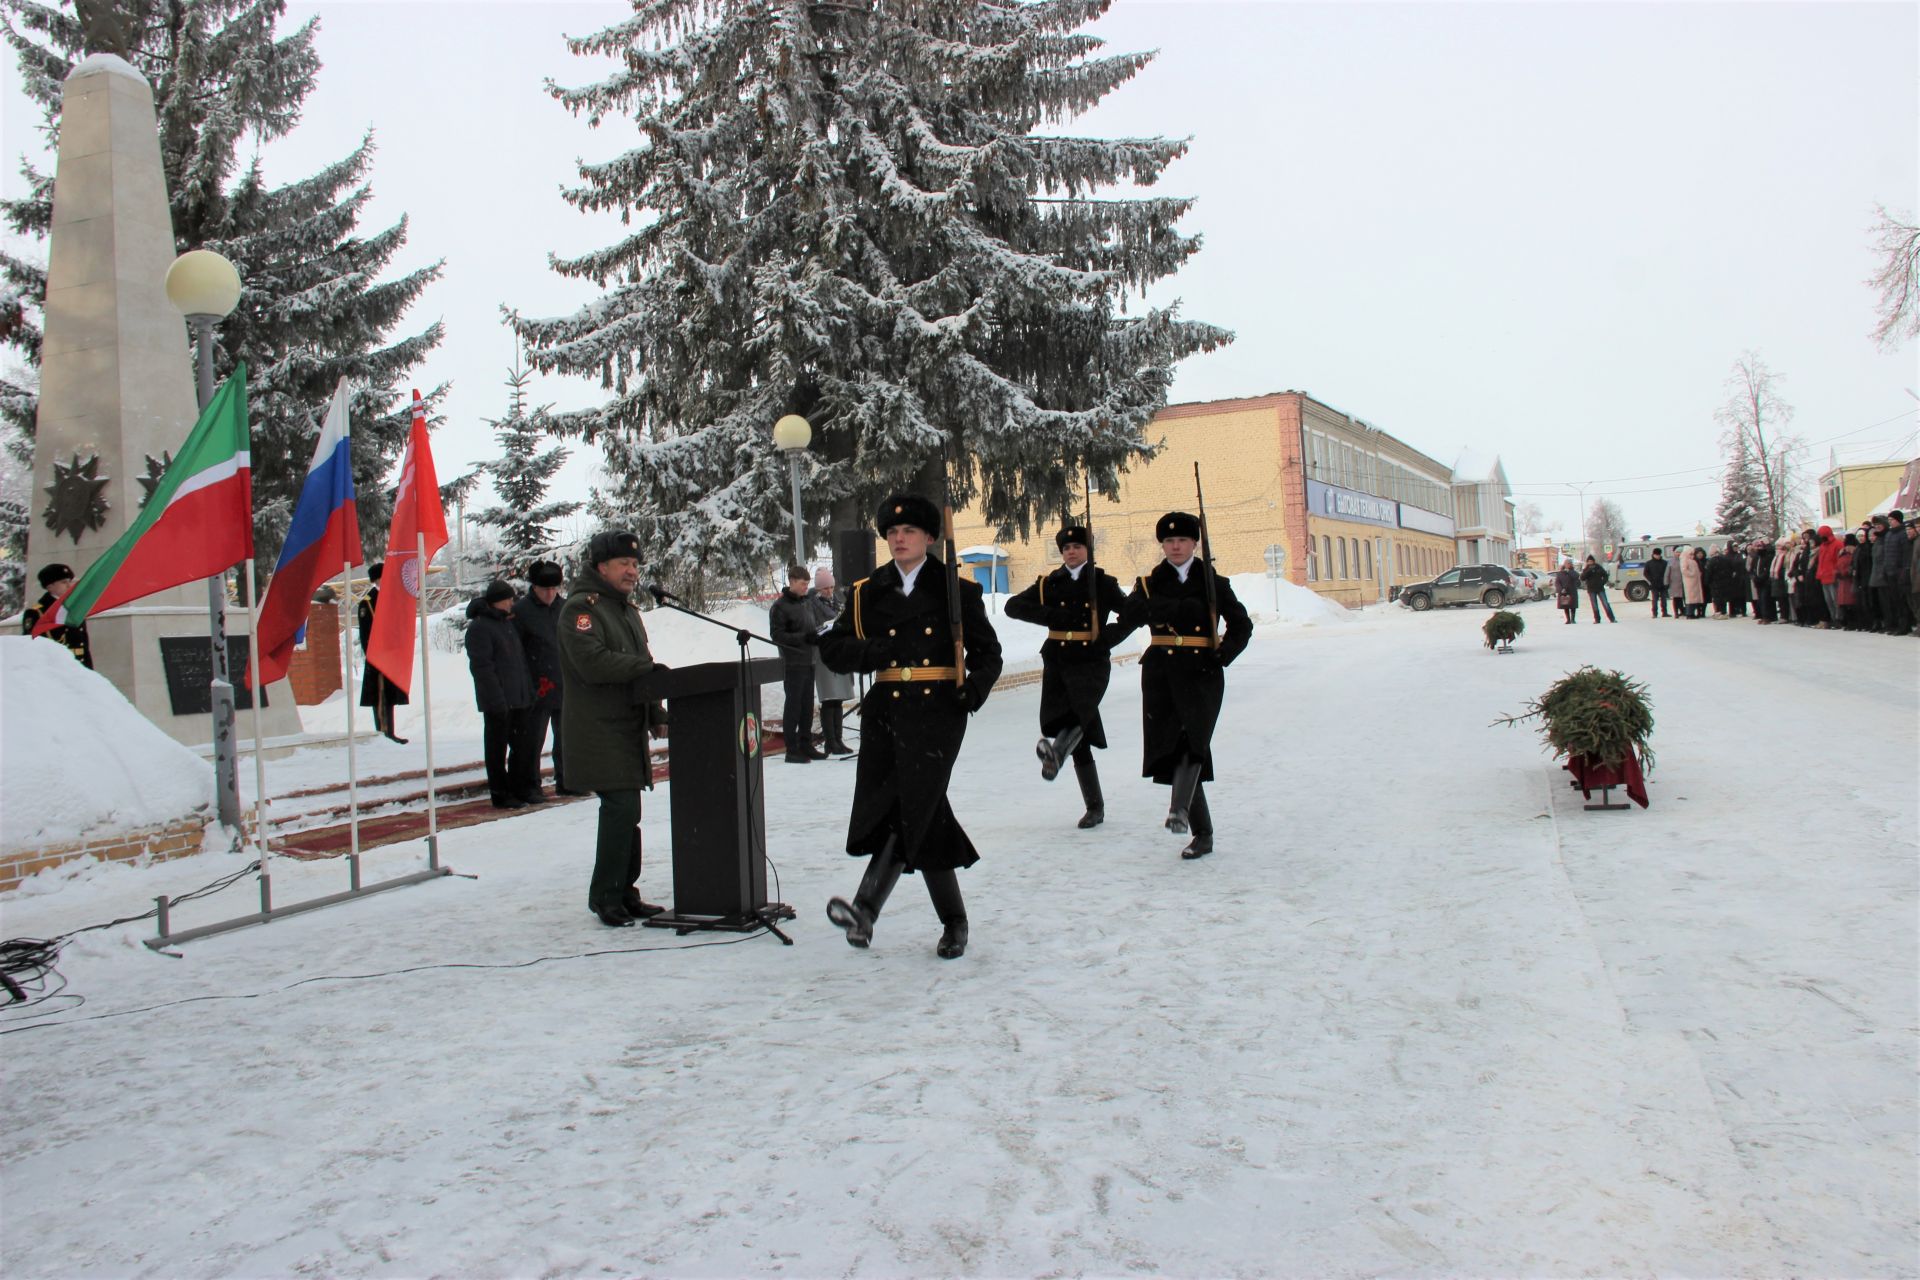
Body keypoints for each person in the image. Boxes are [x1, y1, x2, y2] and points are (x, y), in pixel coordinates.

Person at [820, 493, 1003, 959]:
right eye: (892, 534)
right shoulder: (867, 592)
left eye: (910, 533)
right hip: (886, 710)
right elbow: (834, 649)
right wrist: (870, 654)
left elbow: (989, 654)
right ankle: (955, 923)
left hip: (939, 709)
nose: (899, 539)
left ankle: (865, 908)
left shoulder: (955, 591)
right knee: (918, 811)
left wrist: (973, 690)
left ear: (928, 538)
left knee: (912, 803)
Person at [1107, 511, 1253, 859]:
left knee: (1193, 741)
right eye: (1169, 541)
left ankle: (1182, 812)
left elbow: (1242, 625)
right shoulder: (1147, 584)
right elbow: (1127, 621)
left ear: (1194, 543)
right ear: (1162, 545)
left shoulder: (1214, 583)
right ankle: (1200, 831)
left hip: (1203, 672)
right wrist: (1095, 646)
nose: (1175, 546)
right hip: (1160, 674)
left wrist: (1225, 652)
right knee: (1171, 747)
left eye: (1182, 540)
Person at [557, 530, 671, 928]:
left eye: (636, 565)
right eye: (624, 564)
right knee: (620, 809)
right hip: (598, 729)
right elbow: (594, 662)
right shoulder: (581, 610)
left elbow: (642, 663)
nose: (632, 572)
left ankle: (625, 892)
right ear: (601, 567)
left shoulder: (625, 610)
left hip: (626, 728)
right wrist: (646, 671)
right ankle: (605, 896)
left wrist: (655, 711)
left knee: (629, 814)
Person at [1003, 523, 1129, 828]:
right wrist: (1050, 616)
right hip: (1059, 658)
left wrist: (1108, 637)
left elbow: (1132, 612)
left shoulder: (1101, 582)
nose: (1072, 552)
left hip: (1091, 659)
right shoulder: (1050, 584)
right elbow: (1012, 606)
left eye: (1077, 547)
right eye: (1067, 549)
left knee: (1080, 714)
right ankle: (1094, 807)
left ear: (1088, 550)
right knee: (1076, 729)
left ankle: (1056, 753)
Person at [465, 579, 535, 809]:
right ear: (498, 601)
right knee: (497, 749)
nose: (511, 603)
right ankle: (500, 792)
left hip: (518, 697)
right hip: (498, 701)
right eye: (508, 599)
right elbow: (482, 668)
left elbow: (518, 661)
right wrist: (496, 699)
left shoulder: (506, 623)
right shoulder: (480, 627)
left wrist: (527, 691)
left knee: (521, 746)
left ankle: (519, 788)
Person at [513, 560, 570, 797]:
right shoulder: (521, 611)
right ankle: (529, 785)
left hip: (565, 682)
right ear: (534, 587)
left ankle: (567, 779)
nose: (550, 593)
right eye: (545, 589)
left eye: (554, 588)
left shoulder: (565, 608)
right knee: (532, 740)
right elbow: (515, 650)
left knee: (567, 737)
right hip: (536, 685)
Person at [768, 564, 828, 763]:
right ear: (792, 582)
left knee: (807, 705)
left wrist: (819, 634)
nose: (805, 588)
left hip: (809, 660)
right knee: (793, 705)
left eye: (807, 584)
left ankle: (806, 743)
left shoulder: (806, 603)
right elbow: (777, 635)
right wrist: (804, 637)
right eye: (803, 584)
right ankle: (791, 748)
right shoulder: (780, 606)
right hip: (793, 662)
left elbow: (811, 626)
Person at [358, 563, 408, 742]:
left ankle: (390, 732)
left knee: (389, 696)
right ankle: (382, 732)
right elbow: (365, 634)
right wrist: (374, 656)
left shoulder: (393, 598)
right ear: (376, 579)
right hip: (377, 658)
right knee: (379, 696)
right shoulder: (368, 602)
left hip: (391, 655)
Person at [809, 567, 856, 755]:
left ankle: (838, 739)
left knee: (838, 698)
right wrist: (827, 627)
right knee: (829, 698)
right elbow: (813, 628)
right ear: (818, 589)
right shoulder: (812, 605)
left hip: (839, 652)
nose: (829, 591)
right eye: (825, 588)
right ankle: (830, 741)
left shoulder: (838, 602)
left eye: (831, 587)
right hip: (823, 654)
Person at [21, 563, 93, 667]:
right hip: (55, 668)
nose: (69, 586)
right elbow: (31, 646)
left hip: (79, 668)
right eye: (64, 582)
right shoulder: (36, 613)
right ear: (50, 587)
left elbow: (84, 646)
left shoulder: (74, 609)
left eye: (70, 581)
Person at [1879, 509, 1912, 636]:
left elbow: (1905, 554)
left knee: (1902, 600)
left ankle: (1905, 625)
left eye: (1892, 520)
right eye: (1889, 520)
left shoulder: (1903, 533)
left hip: (1899, 572)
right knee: (1894, 600)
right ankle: (1897, 624)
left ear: (1898, 520)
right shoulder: (1889, 534)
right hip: (1889, 571)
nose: (1890, 522)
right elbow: (1886, 554)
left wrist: (1903, 570)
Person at [1813, 525, 1842, 626]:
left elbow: (1839, 560)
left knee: (1836, 600)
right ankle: (1834, 618)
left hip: (1833, 577)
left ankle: (1839, 619)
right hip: (1824, 577)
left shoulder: (1837, 544)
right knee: (1829, 601)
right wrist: (1819, 574)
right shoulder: (1822, 547)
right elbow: (1821, 562)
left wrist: (1836, 571)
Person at [1579, 555, 1617, 623]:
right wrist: (1588, 571)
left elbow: (1605, 575)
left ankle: (1612, 618)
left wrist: (1602, 582)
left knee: (1605, 603)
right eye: (1589, 561)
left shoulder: (1598, 567)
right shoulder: (1586, 569)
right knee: (1594, 605)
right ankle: (1597, 619)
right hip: (1591, 589)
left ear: (1593, 561)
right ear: (1587, 562)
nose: (1590, 562)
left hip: (1600, 588)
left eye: (1591, 561)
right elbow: (1582, 578)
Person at [1642, 547, 1669, 618]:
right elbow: (1645, 573)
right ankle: (1654, 613)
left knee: (1664, 599)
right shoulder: (1649, 563)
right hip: (1654, 584)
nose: (1657, 556)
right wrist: (1651, 579)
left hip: (1663, 584)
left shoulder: (1664, 563)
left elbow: (1667, 573)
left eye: (1658, 555)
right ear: (1653, 554)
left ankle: (1665, 612)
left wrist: (1666, 581)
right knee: (1655, 600)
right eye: (1656, 555)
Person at [1680, 546, 1706, 618]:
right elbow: (1684, 570)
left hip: (1695, 582)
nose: (1692, 555)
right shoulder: (1684, 560)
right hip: (1689, 582)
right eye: (1690, 554)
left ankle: (1692, 613)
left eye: (1692, 554)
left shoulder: (1692, 560)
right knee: (1690, 598)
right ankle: (1689, 613)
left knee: (1694, 598)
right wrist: (1693, 574)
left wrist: (1698, 574)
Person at [1553, 558, 1580, 624]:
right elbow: (1557, 582)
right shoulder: (1560, 573)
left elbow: (1576, 577)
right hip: (1563, 592)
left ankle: (1573, 619)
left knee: (1573, 606)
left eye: (1569, 563)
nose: (1568, 565)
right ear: (1564, 564)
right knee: (1566, 605)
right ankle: (1568, 619)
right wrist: (1561, 589)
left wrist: (1569, 571)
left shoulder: (1573, 572)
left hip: (1572, 591)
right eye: (1567, 563)